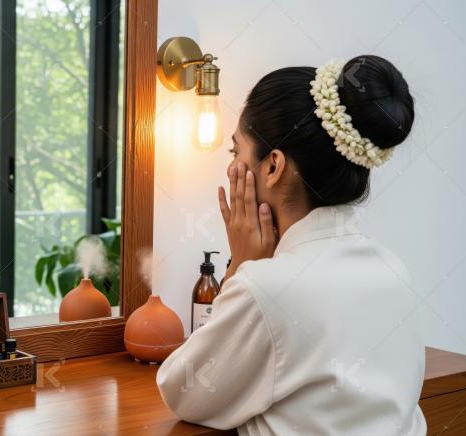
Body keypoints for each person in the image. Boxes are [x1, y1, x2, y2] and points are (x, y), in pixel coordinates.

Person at [157, 56, 425, 435]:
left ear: (273, 166)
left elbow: (181, 391)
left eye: (236, 152)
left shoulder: (266, 288)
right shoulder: (393, 270)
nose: (232, 168)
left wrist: (240, 269)